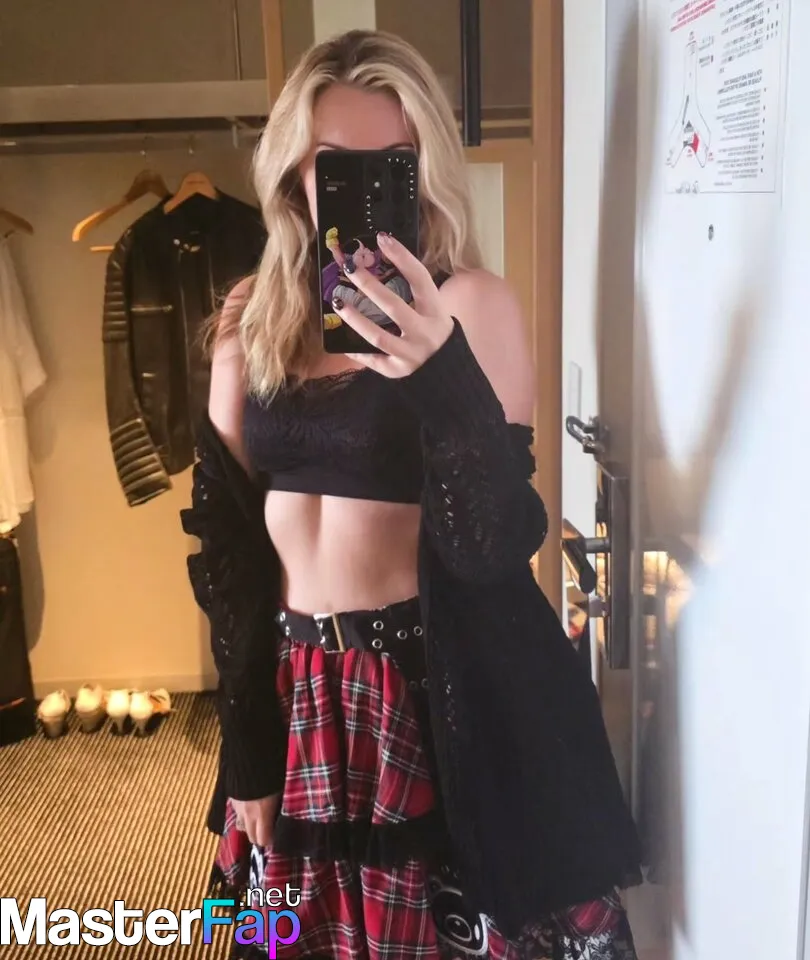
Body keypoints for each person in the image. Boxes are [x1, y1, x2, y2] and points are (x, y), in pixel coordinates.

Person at [181, 28, 642, 960]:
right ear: (294, 171)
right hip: (299, 690)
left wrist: (441, 371)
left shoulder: (470, 304)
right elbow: (228, 546)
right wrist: (247, 739)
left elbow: (492, 543)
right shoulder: (248, 319)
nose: (360, 184)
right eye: (334, 161)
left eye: (391, 160)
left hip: (433, 691)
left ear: (422, 166)